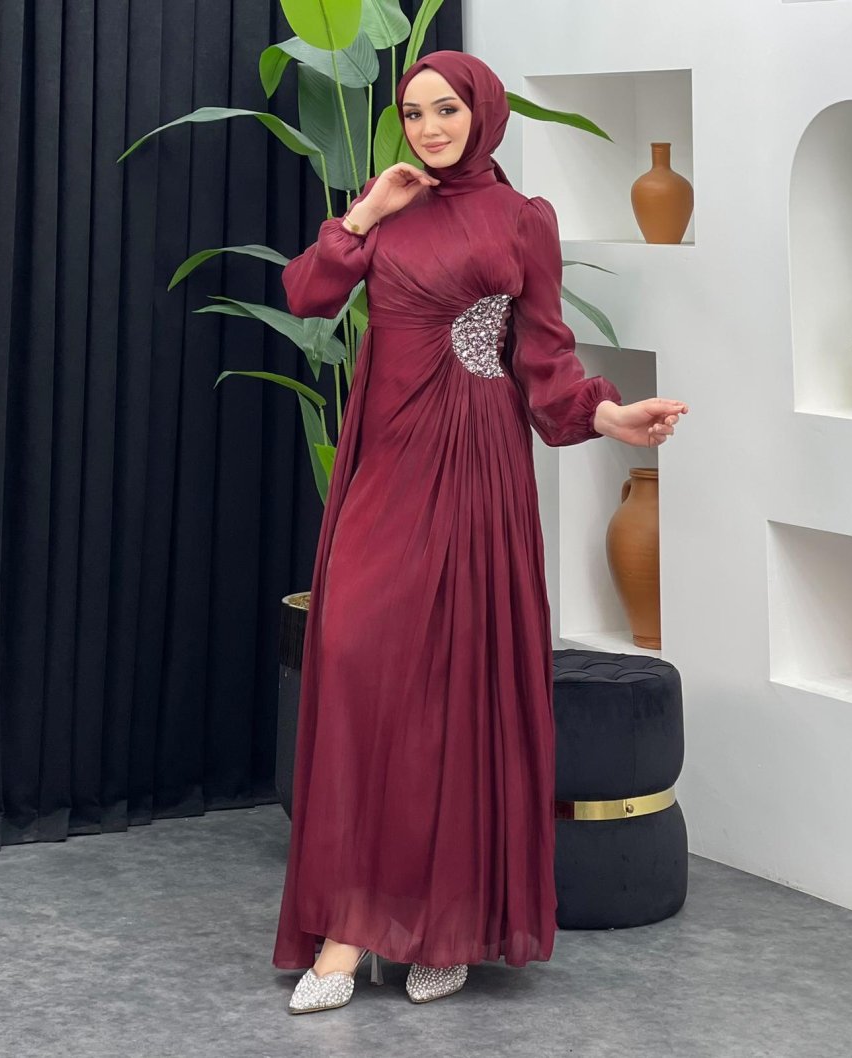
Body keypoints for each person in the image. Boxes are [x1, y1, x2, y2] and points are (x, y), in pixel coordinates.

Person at [272, 49, 688, 1015]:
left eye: (447, 110)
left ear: (482, 113)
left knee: (452, 684)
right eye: (414, 112)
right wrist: (365, 214)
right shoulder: (389, 208)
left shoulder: (522, 219)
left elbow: (544, 359)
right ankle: (346, 928)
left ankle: (443, 923)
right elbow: (306, 297)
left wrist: (609, 415)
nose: (429, 128)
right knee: (355, 658)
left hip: (477, 467)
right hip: (387, 461)